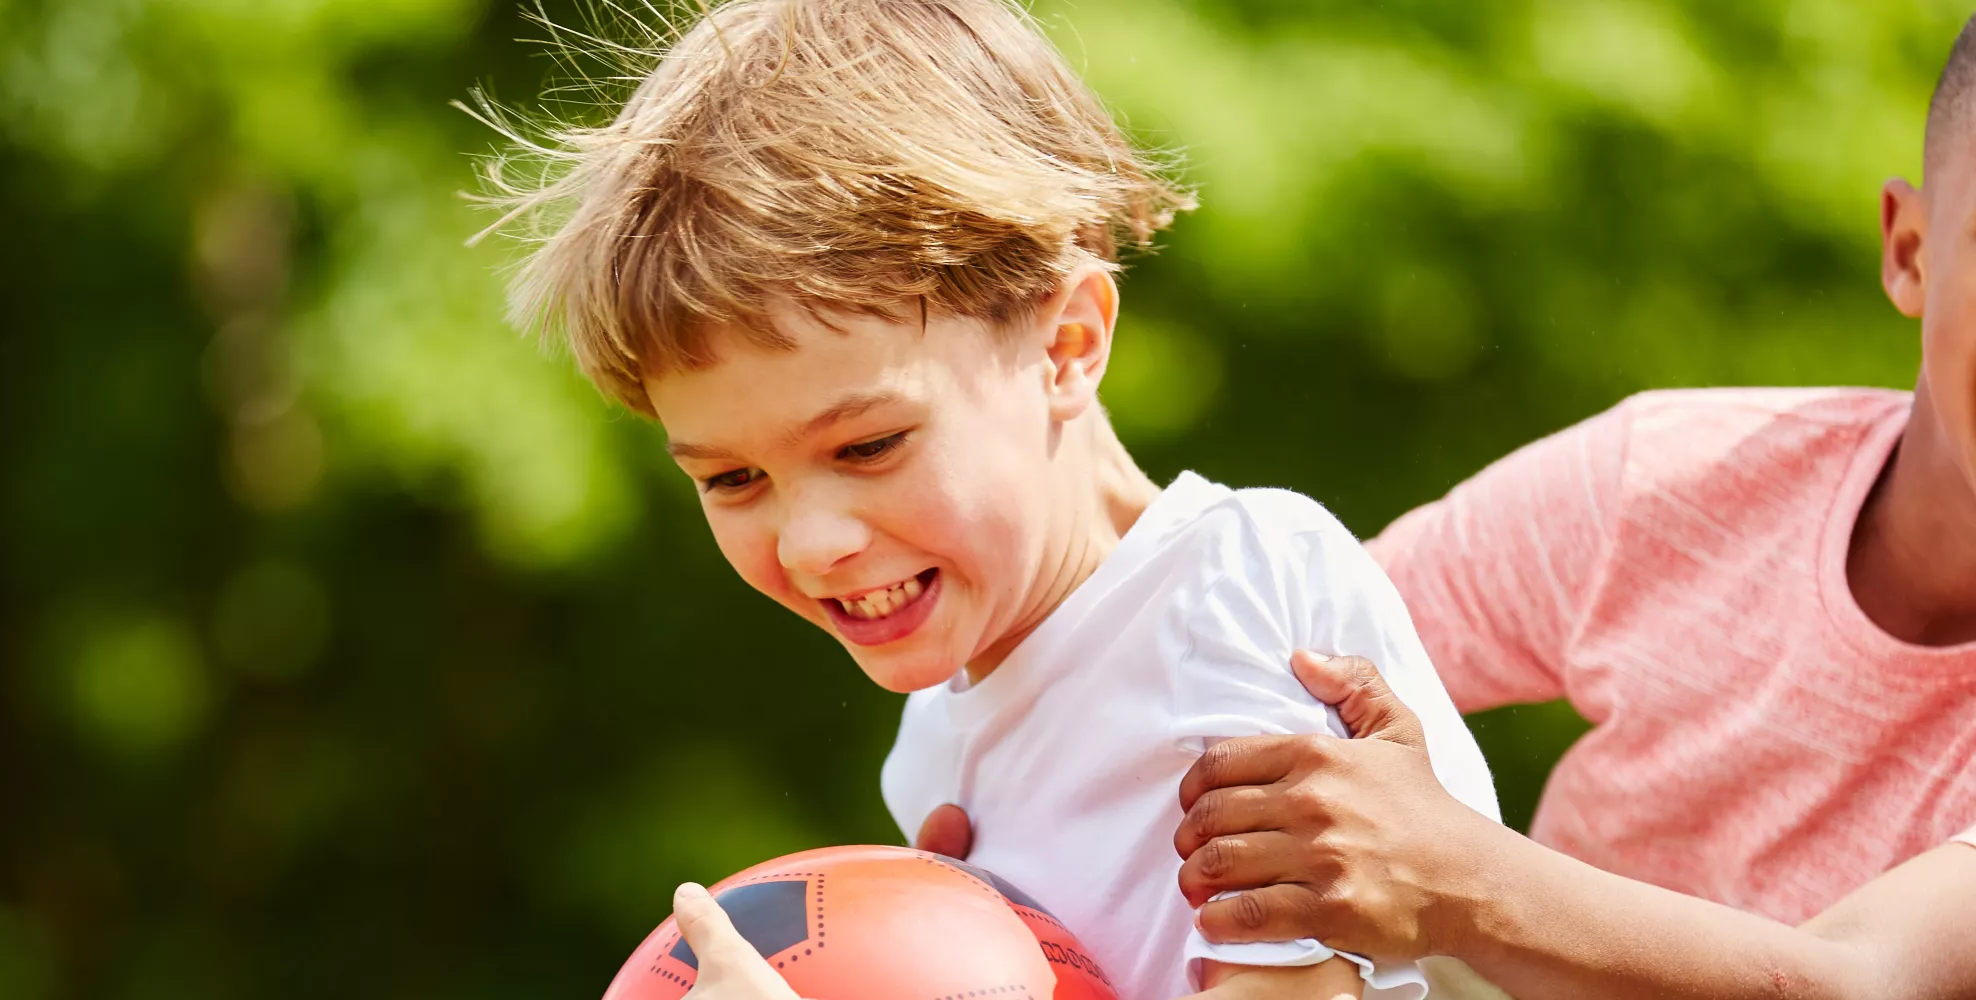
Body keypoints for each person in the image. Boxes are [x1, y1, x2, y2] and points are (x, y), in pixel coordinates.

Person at [480, 1, 1498, 996]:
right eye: (731, 478)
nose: (812, 542)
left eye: (870, 443)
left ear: (1066, 345)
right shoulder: (933, 746)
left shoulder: (1230, 587)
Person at [1169, 15, 1976, 999]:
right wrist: (993, 861)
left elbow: (1856, 982)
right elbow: (1256, 657)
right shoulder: (1678, 479)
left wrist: (1450, 874)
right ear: (1908, 251)